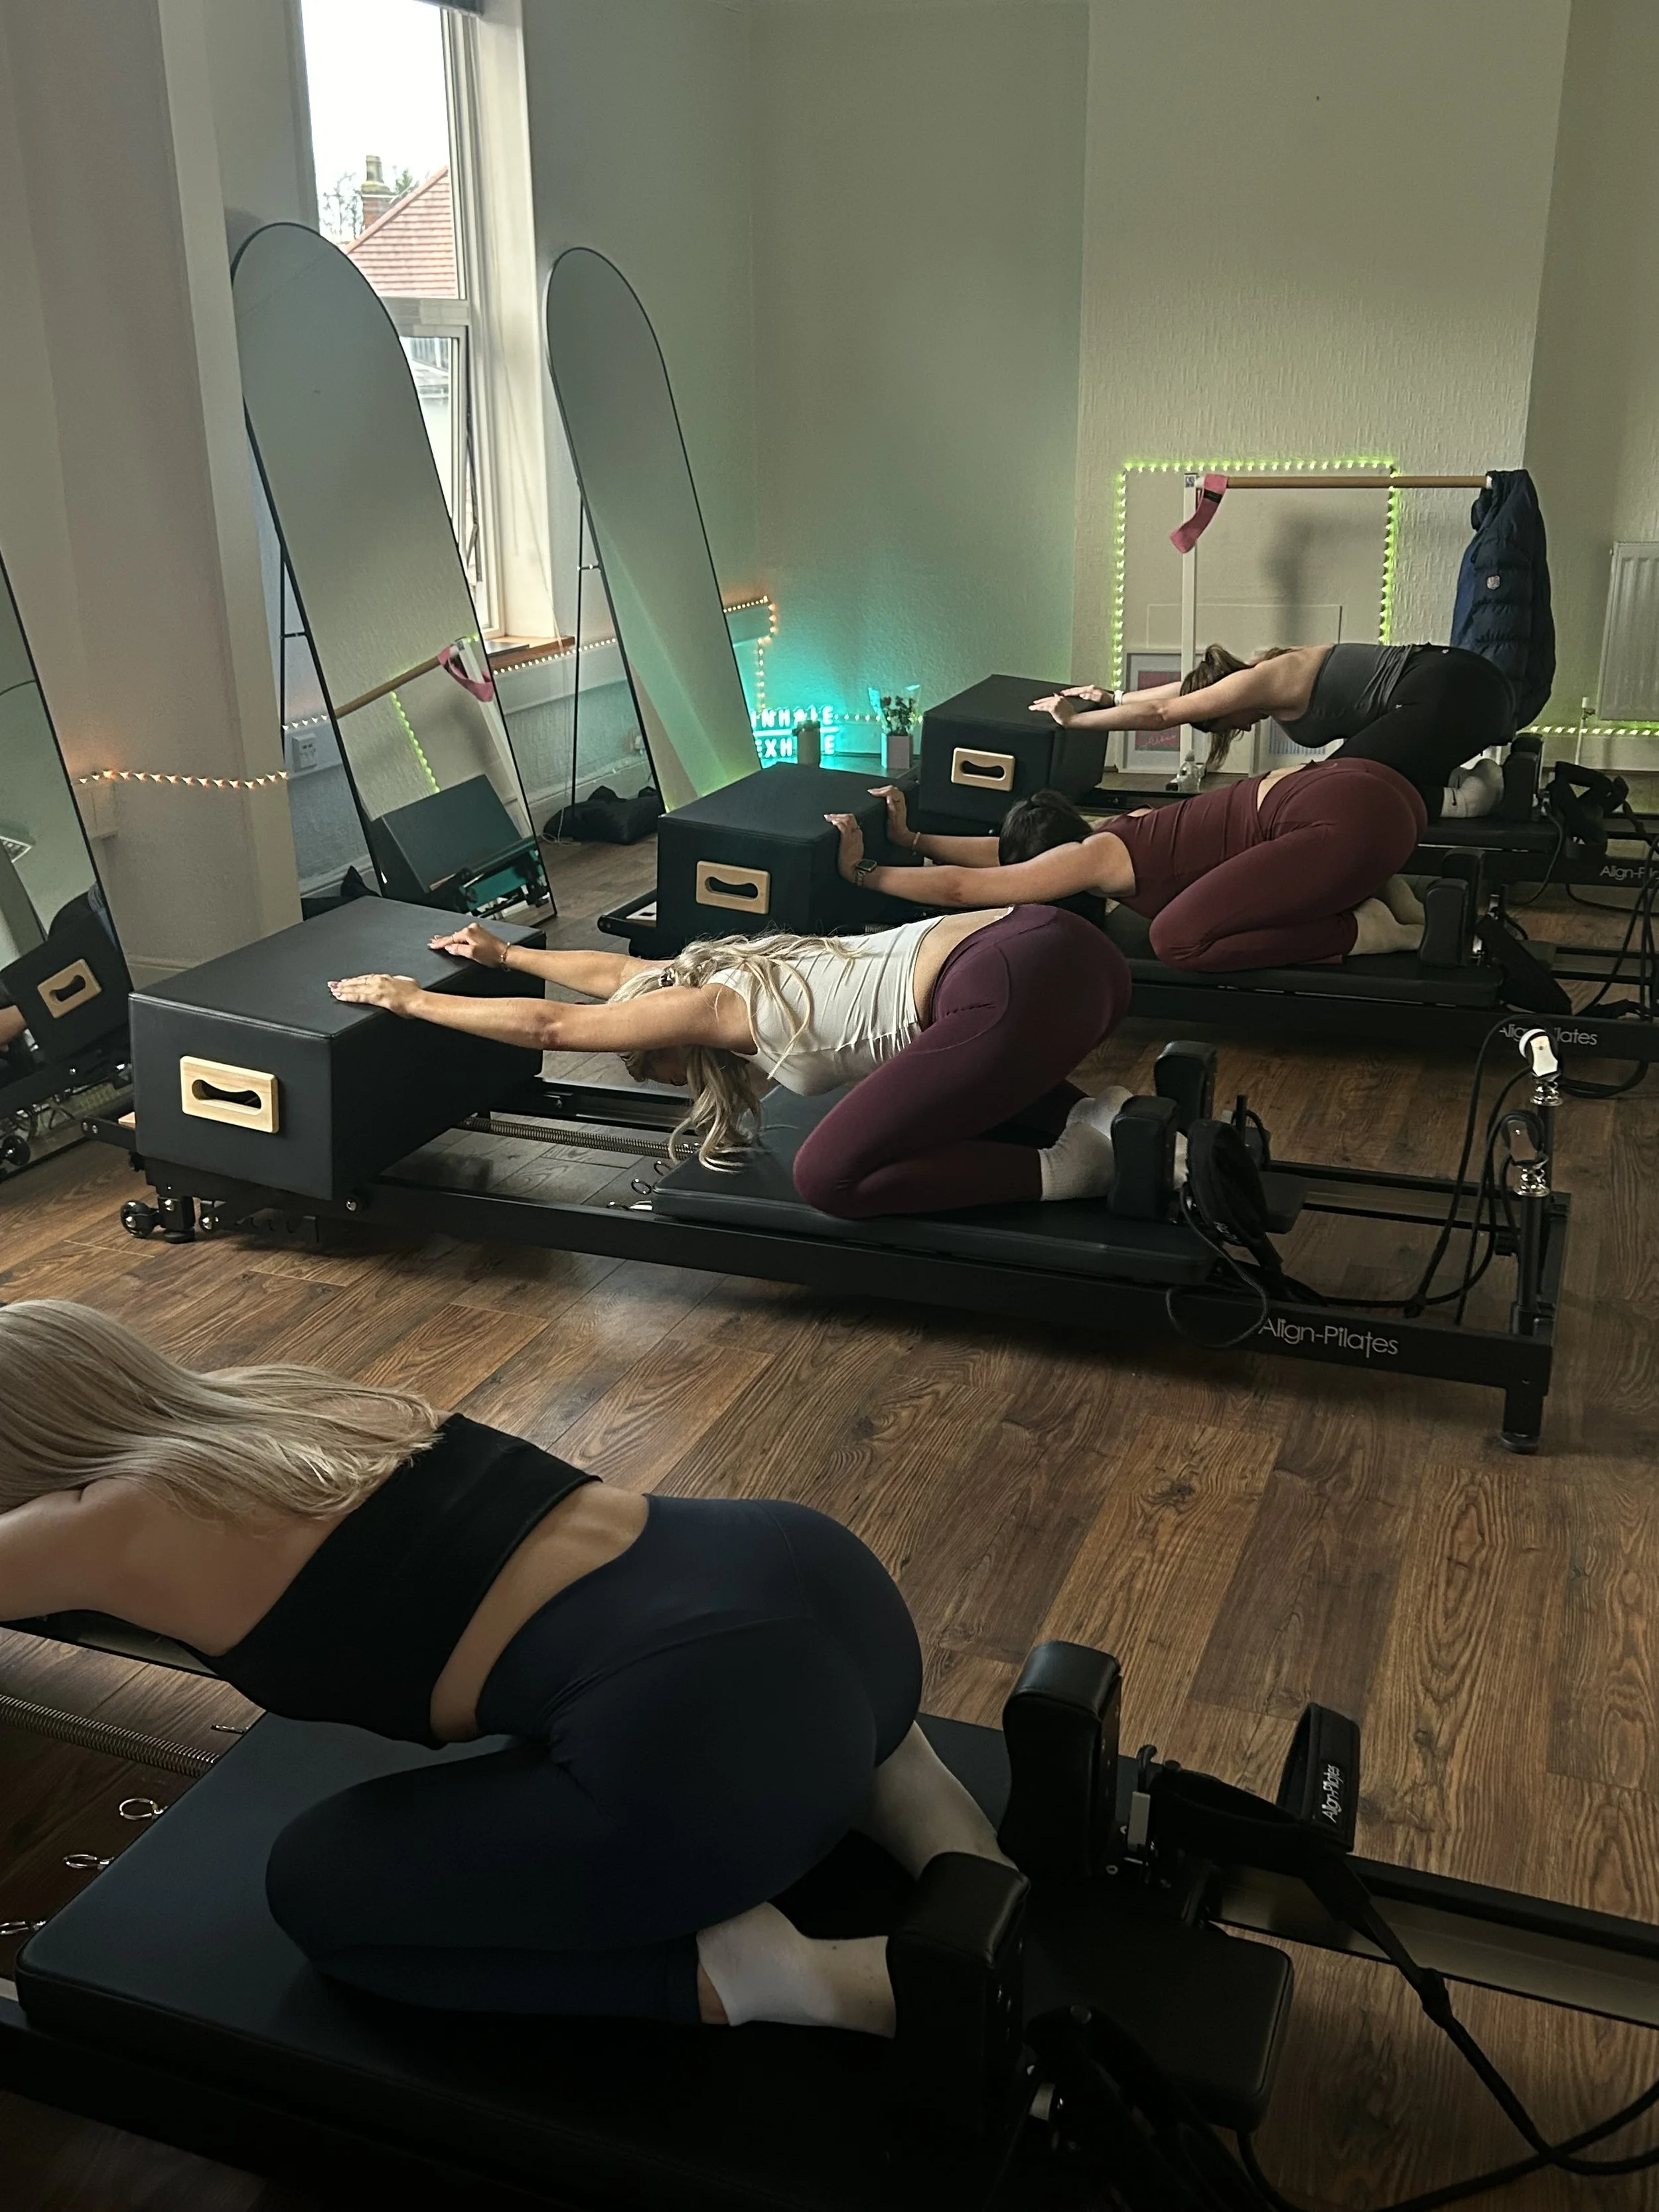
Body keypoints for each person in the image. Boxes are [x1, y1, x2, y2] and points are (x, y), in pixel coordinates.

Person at [0, 1298, 1013, 2034]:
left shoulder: (107, 1519)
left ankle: (803, 1981)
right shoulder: (275, 1406)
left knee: (321, 1890)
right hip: (820, 1581)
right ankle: (953, 1839)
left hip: (722, 1732)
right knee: (761, 1690)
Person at [328, 910, 1136, 1218]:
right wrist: (505, 952)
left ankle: (1071, 1170)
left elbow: (553, 1031)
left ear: (666, 1040)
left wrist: (415, 1001)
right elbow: (616, 975)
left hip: (1018, 987)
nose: (651, 1073)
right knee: (940, 1077)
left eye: (650, 1066)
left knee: (829, 1177)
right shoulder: (720, 969)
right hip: (1067, 954)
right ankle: (1113, 1120)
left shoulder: (717, 1009)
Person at [830, 759, 1432, 973]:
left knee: (1176, 938)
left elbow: (971, 886)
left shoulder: (1091, 859)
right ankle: (1376, 879)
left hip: (1348, 825)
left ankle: (1369, 928)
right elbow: (997, 858)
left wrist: (863, 873)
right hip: (1372, 791)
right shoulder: (1104, 834)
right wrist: (912, 838)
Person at [1033, 640, 1514, 820]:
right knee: (1350, 767)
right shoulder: (1265, 667)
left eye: (1226, 723)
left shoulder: (1262, 679)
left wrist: (1077, 722)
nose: (1240, 728)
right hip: (1466, 688)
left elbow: (1163, 715)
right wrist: (1115, 697)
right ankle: (1467, 781)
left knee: (1336, 782)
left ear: (1224, 701)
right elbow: (1173, 697)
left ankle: (1469, 801)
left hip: (1452, 693)